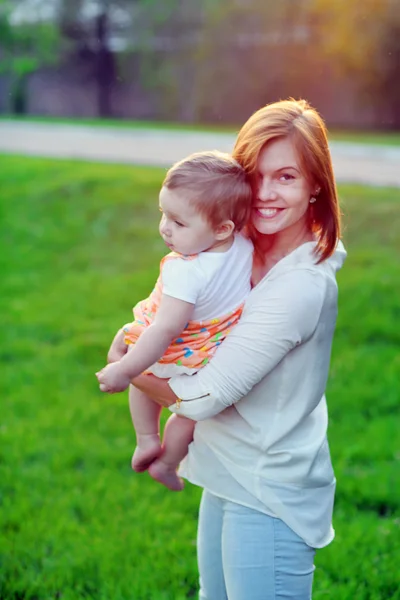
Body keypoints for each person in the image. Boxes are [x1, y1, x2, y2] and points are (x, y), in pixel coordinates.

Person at [102, 98, 347, 600]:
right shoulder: (235, 249)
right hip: (225, 467)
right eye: (256, 175)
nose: (265, 194)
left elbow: (205, 397)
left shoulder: (300, 283)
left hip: (268, 487)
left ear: (316, 183)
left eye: (287, 177)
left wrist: (125, 364)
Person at [96, 150, 254, 491]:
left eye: (179, 222)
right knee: (188, 418)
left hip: (174, 347)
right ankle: (167, 463)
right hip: (211, 352)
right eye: (164, 214)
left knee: (145, 375)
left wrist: (125, 370)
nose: (165, 229)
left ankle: (146, 438)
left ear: (223, 228)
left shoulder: (186, 270)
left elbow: (166, 329)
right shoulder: (243, 244)